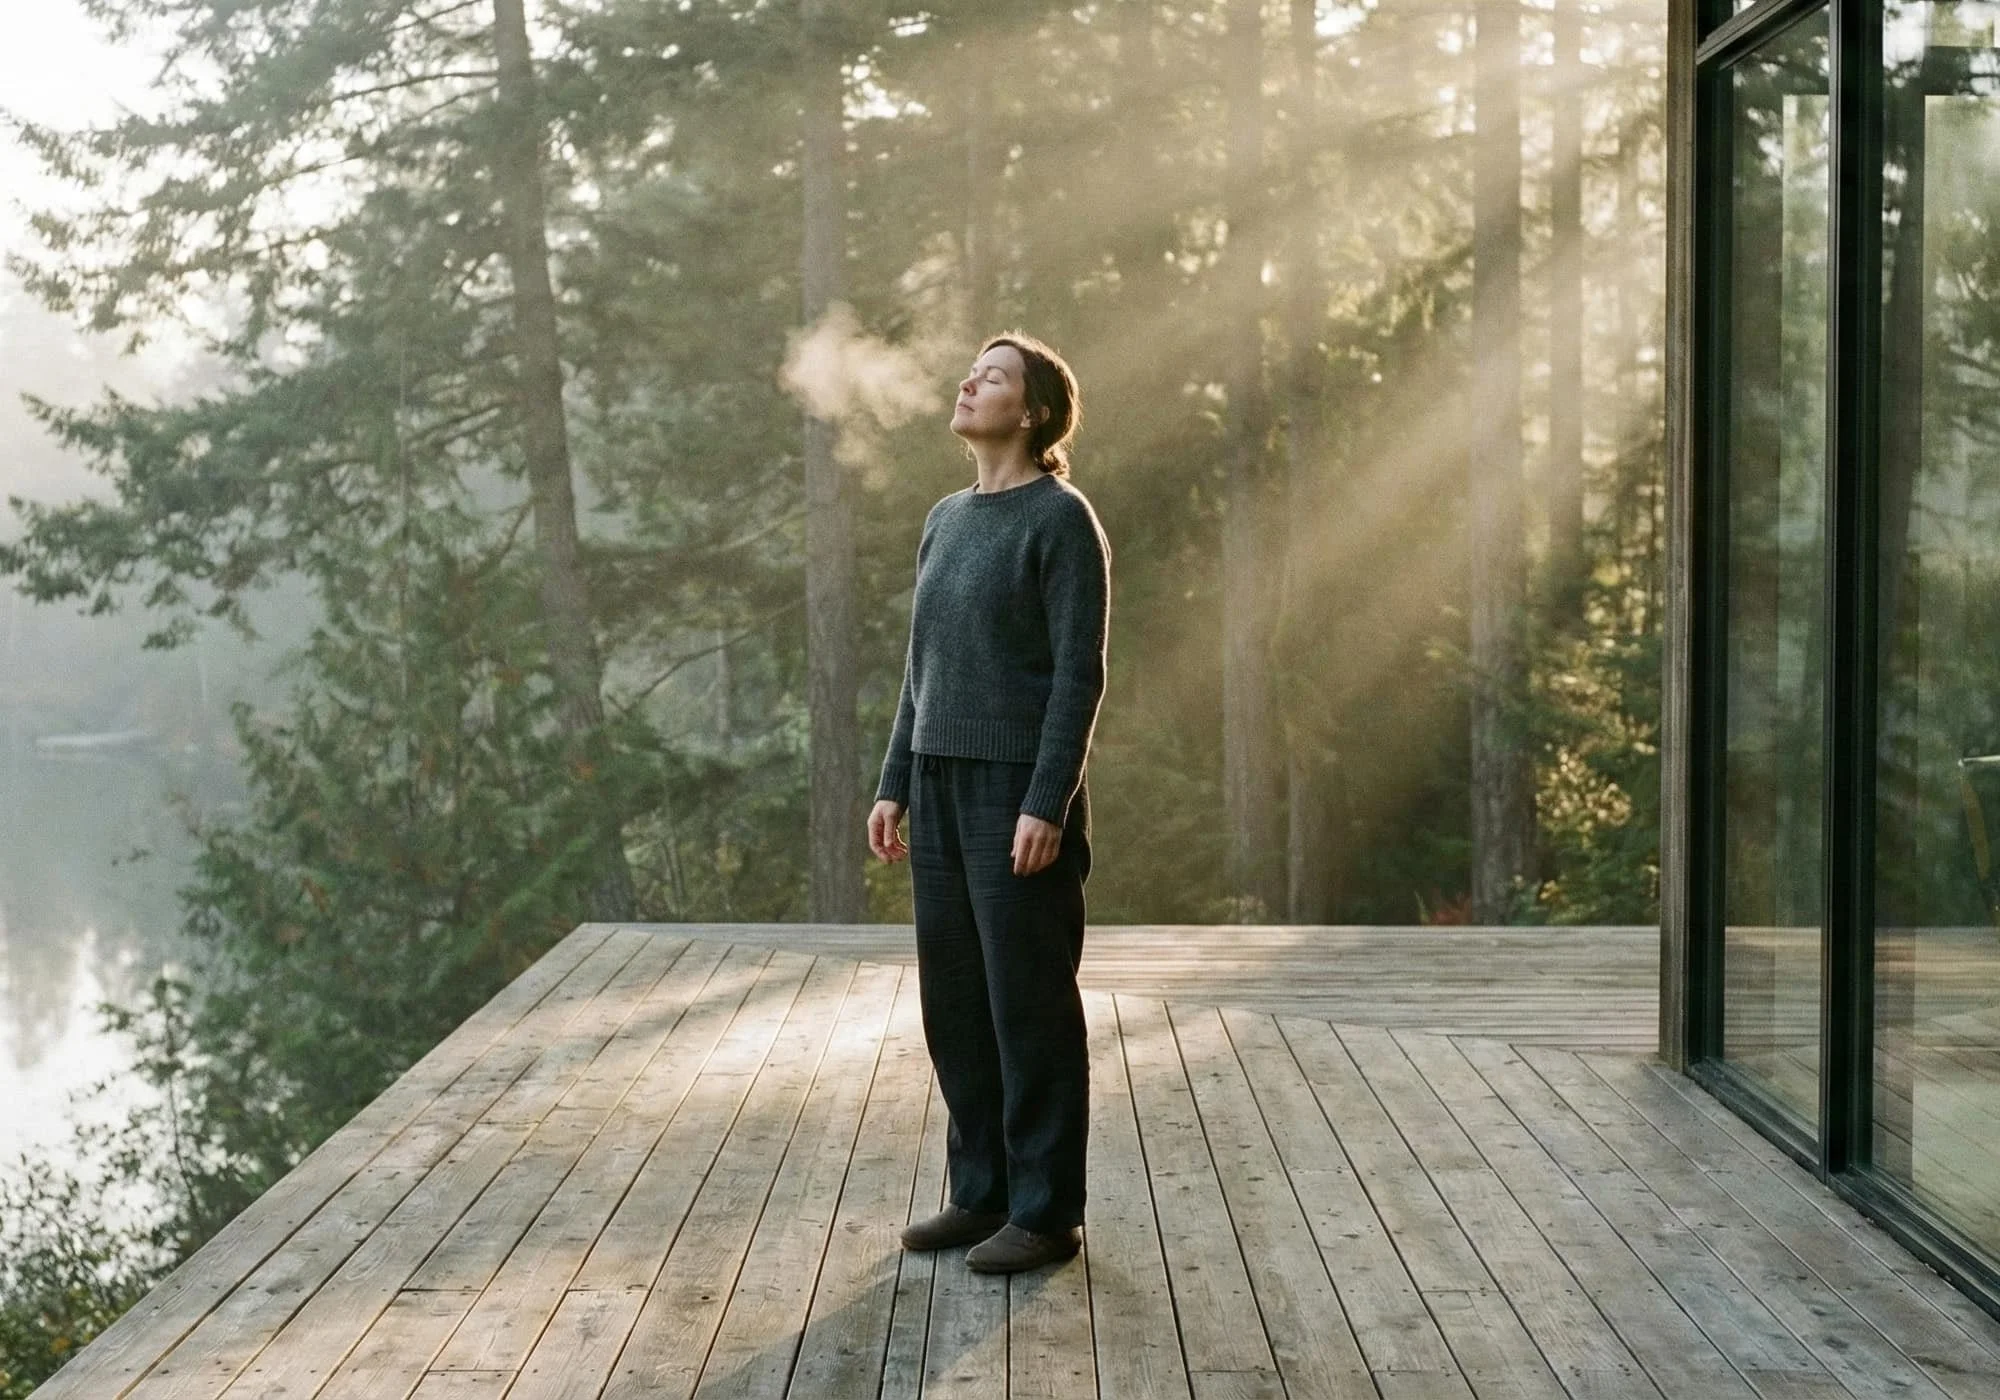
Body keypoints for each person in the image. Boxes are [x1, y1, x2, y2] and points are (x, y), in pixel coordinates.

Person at [865, 330, 1111, 1275]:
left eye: (995, 376)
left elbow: (1077, 678)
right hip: (937, 783)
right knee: (957, 1004)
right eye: (975, 372)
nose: (971, 383)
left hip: (1017, 793)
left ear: (1034, 410)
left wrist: (1047, 800)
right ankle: (982, 1194)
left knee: (1029, 1006)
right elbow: (919, 672)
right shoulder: (944, 518)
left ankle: (1045, 1213)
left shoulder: (1061, 520)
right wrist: (895, 781)